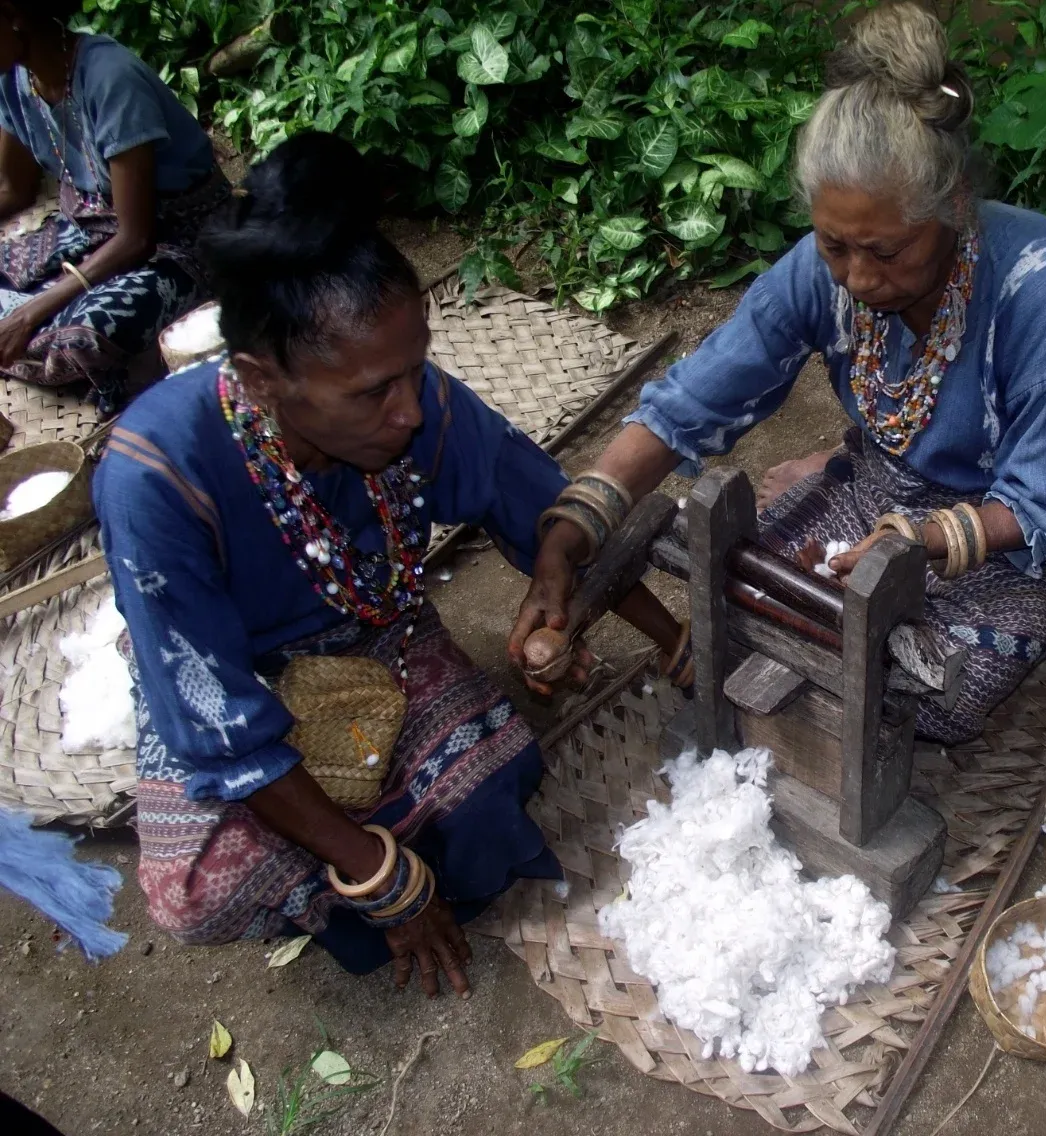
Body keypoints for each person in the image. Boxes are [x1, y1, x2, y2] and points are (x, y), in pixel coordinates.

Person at [93, 132, 686, 996]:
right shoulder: (156, 475)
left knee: (498, 784)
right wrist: (378, 873)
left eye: (415, 369)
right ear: (262, 381)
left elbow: (539, 506)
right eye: (372, 391)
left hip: (372, 628)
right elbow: (216, 723)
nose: (409, 411)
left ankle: (373, 871)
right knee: (198, 894)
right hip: (231, 678)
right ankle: (373, 878)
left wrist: (656, 633)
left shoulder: (416, 400)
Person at [580, 1, 1046, 744]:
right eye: (834, 245)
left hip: (1014, 526)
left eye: (885, 252)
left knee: (933, 690)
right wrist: (585, 509)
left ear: (955, 205)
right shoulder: (826, 267)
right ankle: (839, 478)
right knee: (747, 598)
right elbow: (700, 394)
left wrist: (920, 540)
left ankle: (843, 506)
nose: (857, 279)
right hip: (887, 483)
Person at [0, 0, 228, 412]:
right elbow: (14, 190)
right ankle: (33, 332)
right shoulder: (15, 81)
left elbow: (136, 238)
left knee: (86, 336)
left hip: (176, 241)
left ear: (14, 17)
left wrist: (28, 315)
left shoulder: (110, 79)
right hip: (90, 226)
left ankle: (59, 343)